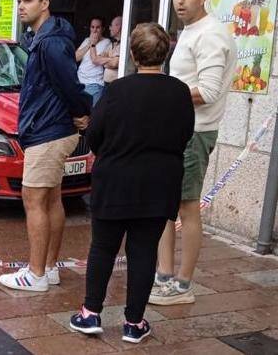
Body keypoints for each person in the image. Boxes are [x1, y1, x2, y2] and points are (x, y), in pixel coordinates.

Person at [69, 23, 194, 344]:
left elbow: (94, 135)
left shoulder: (116, 91)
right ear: (165, 53)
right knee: (143, 252)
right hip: (158, 185)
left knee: (103, 247)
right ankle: (134, 324)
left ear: (133, 54)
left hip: (115, 183)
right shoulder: (180, 92)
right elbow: (185, 136)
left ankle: (90, 314)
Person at [0, 0, 91, 292]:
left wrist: (82, 112)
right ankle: (49, 268)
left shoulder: (50, 41)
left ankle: (35, 274)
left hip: (48, 130)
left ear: (45, 3)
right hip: (51, 127)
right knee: (51, 198)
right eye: (19, 1)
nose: (21, 7)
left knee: (34, 199)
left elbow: (69, 83)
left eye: (27, 1)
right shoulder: (44, 37)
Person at [150, 0, 237, 306]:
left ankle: (183, 285)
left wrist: (162, 96)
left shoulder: (212, 34)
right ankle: (164, 276)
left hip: (195, 133)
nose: (180, 1)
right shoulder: (191, 31)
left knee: (187, 208)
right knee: (166, 207)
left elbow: (210, 91)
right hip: (179, 130)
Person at [75, 17, 110, 106]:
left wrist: (93, 43)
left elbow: (95, 60)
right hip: (79, 82)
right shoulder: (87, 40)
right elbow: (75, 57)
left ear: (103, 29)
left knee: (92, 115)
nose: (94, 30)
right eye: (92, 27)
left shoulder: (107, 42)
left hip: (94, 84)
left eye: (97, 27)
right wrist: (89, 44)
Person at [95, 15, 122, 84]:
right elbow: (97, 59)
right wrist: (110, 59)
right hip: (107, 84)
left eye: (111, 26)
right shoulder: (112, 44)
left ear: (118, 27)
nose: (109, 28)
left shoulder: (124, 43)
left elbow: (114, 63)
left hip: (117, 84)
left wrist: (105, 62)